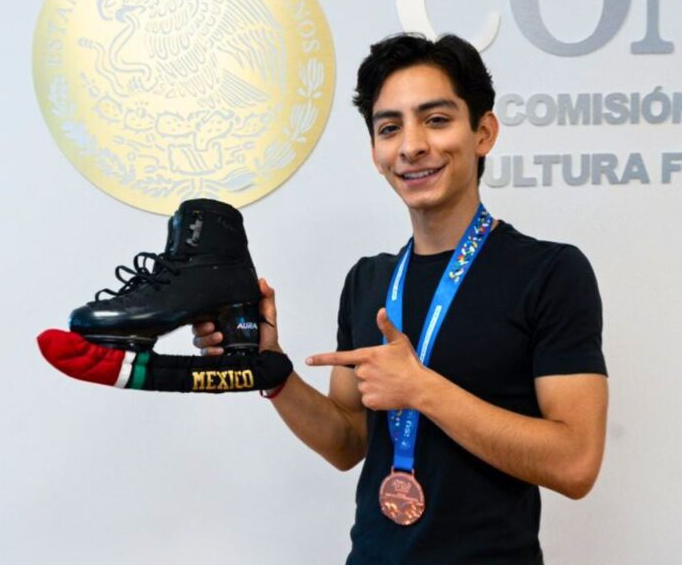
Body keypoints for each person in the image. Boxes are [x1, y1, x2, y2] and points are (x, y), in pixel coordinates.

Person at [193, 33, 608, 564]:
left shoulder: (549, 272)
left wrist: (421, 389)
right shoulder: (369, 280)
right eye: (390, 128)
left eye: (436, 119)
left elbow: (576, 463)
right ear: (375, 152)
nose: (411, 146)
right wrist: (271, 369)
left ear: (483, 132)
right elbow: (348, 443)